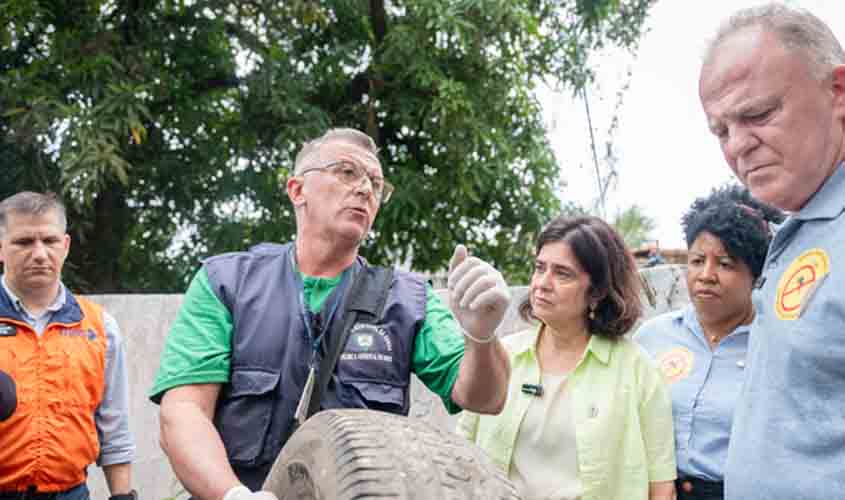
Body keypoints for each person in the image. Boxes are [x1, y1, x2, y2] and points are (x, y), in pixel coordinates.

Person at [150, 128, 512, 500]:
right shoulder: (227, 283)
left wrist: (482, 337)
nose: (364, 189)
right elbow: (183, 412)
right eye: (346, 172)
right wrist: (233, 495)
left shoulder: (408, 299)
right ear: (297, 190)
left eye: (376, 183)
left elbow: (485, 398)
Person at [699, 4, 845, 498]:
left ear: (838, 91)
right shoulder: (800, 228)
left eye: (758, 114)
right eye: (720, 130)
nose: (738, 145)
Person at [457, 215, 676, 500]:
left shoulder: (638, 369)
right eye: (539, 268)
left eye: (562, 274)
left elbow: (661, 487)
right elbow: (461, 456)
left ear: (596, 292)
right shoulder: (501, 356)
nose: (542, 284)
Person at [634, 186, 784, 500]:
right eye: (697, 260)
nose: (706, 275)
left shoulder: (775, 345)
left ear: (755, 275)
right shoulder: (651, 338)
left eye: (726, 264)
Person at [0, 192, 136, 499]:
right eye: (23, 242)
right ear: (1, 249)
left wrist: (123, 495)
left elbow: (114, 428)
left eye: (48, 241)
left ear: (65, 245)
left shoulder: (100, 327)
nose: (38, 254)